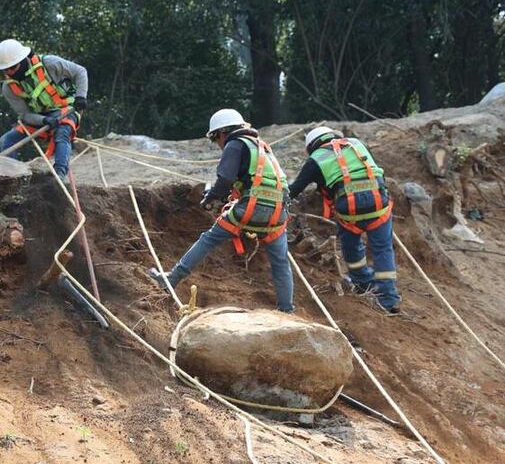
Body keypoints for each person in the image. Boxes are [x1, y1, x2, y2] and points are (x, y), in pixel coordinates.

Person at [149, 109, 295, 312]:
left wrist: (211, 198)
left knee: (209, 239)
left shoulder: (235, 144)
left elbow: (225, 179)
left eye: (215, 139)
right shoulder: (262, 147)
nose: (218, 144)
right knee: (280, 261)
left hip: (251, 208)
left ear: (222, 133)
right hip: (279, 212)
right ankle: (287, 309)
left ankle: (172, 279)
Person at [289, 127, 400, 313]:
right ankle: (388, 299)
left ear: (311, 146)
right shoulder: (357, 145)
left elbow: (295, 189)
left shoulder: (315, 159)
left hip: (350, 212)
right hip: (378, 205)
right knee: (382, 248)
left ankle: (363, 282)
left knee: (351, 245)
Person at [0, 39, 88, 183]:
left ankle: (59, 176)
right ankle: (10, 178)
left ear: (22, 59)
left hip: (66, 110)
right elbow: (25, 115)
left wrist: (81, 97)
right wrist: (44, 120)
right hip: (39, 118)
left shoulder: (49, 63)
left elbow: (80, 72)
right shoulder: (8, 88)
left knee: (62, 132)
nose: (9, 72)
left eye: (12, 67)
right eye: (5, 69)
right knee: (7, 140)